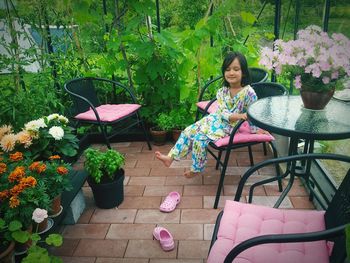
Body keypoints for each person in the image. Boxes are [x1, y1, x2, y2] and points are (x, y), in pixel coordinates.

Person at [155, 51, 258, 178]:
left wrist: (255, 130)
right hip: (216, 119)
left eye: (236, 69)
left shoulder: (248, 92)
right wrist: (239, 116)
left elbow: (254, 112)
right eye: (227, 69)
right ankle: (170, 158)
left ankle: (197, 168)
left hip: (229, 127)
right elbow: (222, 112)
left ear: (244, 72)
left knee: (200, 138)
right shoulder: (222, 91)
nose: (231, 73)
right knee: (188, 131)